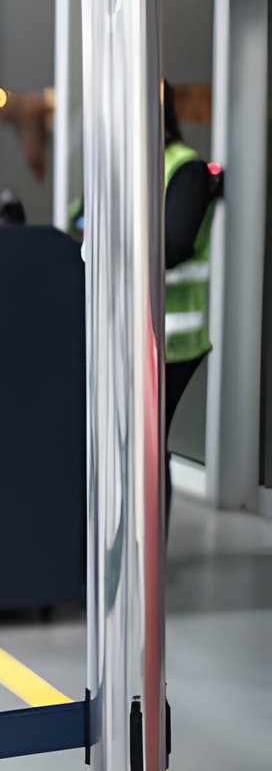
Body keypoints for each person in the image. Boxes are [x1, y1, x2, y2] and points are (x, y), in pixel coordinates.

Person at [159, 80, 219, 530]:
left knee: (147, 447)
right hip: (133, 331)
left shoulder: (186, 169)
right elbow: (81, 218)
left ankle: (145, 561)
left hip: (174, 340)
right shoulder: (130, 165)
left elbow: (175, 243)